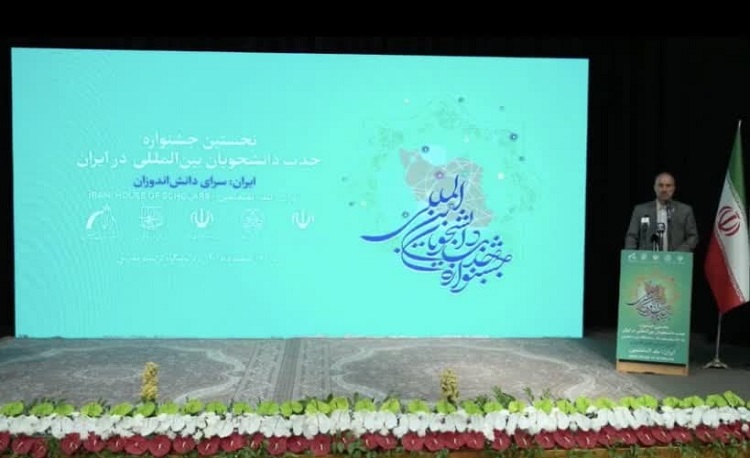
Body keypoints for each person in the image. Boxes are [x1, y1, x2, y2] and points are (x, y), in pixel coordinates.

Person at [624, 172, 698, 252]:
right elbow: (631, 236)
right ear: (654, 188)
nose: (664, 189)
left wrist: (678, 253)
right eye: (660, 185)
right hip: (647, 258)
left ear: (674, 188)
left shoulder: (685, 210)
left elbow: (693, 237)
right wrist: (630, 255)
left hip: (675, 258)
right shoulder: (640, 210)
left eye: (668, 186)